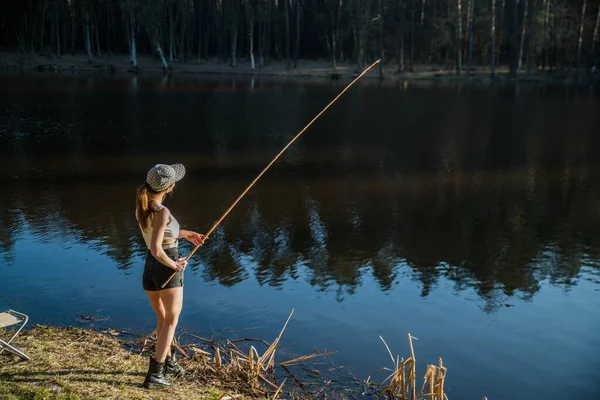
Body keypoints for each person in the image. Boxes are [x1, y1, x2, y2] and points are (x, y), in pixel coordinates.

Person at [135, 163, 206, 389]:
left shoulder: (143, 206)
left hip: (149, 271)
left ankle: (168, 362)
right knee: (170, 321)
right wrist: (175, 265)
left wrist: (187, 235)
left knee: (163, 320)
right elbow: (158, 249)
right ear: (169, 187)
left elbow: (161, 234)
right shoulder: (163, 211)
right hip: (165, 266)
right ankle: (155, 374)